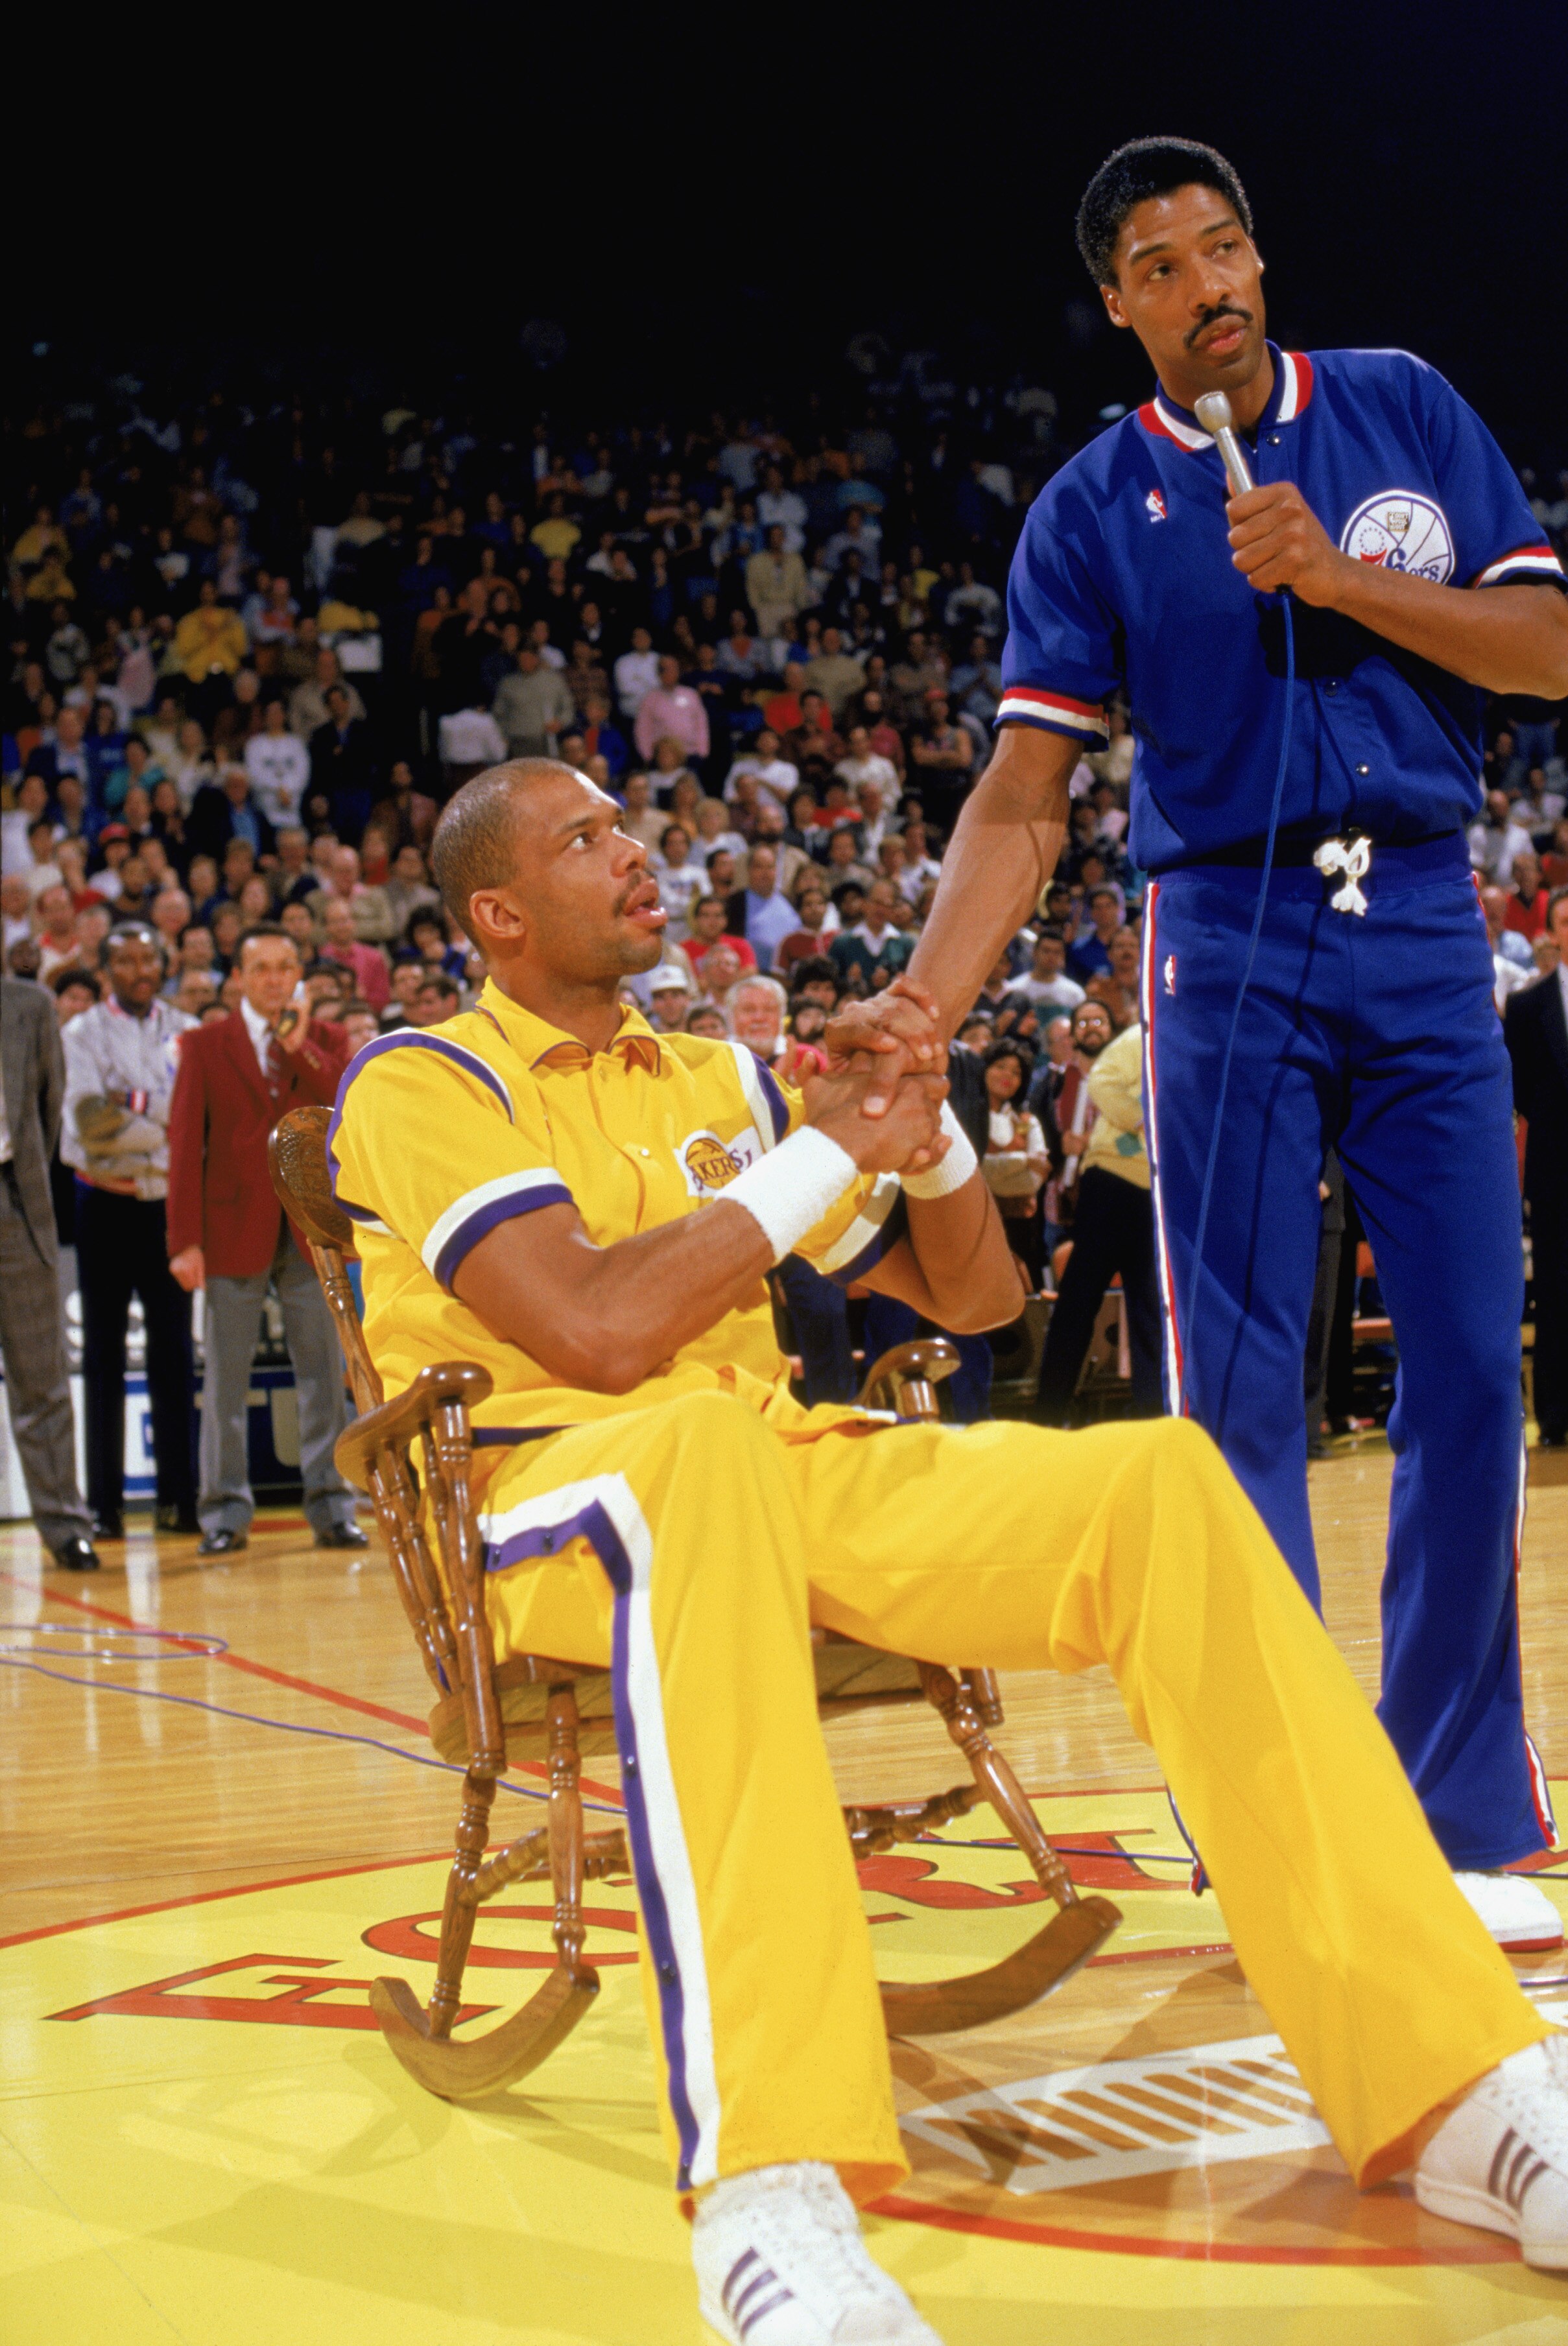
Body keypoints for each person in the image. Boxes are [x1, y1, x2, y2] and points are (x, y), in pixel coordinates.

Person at [329, 756, 1568, 2330]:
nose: (636, 848)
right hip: (547, 1498)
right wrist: (817, 1151)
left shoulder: (717, 1077)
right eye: (586, 837)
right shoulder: (424, 1079)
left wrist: (915, 1137)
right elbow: (596, 1326)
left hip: (771, 1466)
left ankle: (1456, 2085)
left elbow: (971, 1299)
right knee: (695, 1450)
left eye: (633, 821)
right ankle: (769, 2188)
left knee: (1160, 1482)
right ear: (496, 911)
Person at [862, 136, 1568, 1953]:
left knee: (1475, 1373)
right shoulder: (1093, 509)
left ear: (1262, 257)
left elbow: (1543, 647)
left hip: (1420, 916)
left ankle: (1457, 1807)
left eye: (1226, 247)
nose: (1209, 285)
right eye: (1162, 267)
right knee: (1235, 1400)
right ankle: (1263, 1808)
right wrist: (925, 1005)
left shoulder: (1404, 406)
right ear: (1119, 304)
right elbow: (1025, 798)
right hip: (1223, 940)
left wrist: (1340, 583)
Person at [166, 925, 365, 1556]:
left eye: (286, 967)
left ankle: (333, 1508)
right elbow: (183, 1148)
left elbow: (342, 1101)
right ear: (241, 978)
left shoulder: (325, 1038)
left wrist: (302, 1041)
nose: (275, 978)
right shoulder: (203, 1044)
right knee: (225, 1380)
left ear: (298, 974)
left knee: (322, 1376)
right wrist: (183, 1240)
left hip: (309, 1227)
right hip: (230, 1227)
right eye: (263, 968)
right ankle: (224, 1512)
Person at [59, 925, 198, 1537]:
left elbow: (198, 1119)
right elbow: (92, 1123)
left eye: (149, 958)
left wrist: (133, 1105)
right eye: (126, 960)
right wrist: (165, 1117)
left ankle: (179, 1501)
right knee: (104, 1357)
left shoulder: (189, 1030)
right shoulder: (79, 1033)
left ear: (162, 963)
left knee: (174, 1357)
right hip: (105, 1206)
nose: (141, 968)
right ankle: (104, 1508)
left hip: (170, 1207)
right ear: (105, 967)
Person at [0, 973, 99, 1570]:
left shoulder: (29, 1004)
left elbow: (49, 1104)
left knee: (42, 1379)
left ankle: (64, 1525)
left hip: (15, 1201)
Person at [1034, 1017, 1162, 1421]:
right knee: (1078, 1301)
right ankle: (1048, 1416)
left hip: (1154, 1193)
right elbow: (1104, 1080)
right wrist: (1144, 1124)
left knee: (1148, 1309)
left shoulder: (1198, 1049)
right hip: (1110, 1184)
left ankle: (1152, 1419)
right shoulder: (1141, 1035)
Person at [1505, 888, 1568, 1449]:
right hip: (1556, 1179)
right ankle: (1555, 1415)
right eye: (1567, 921)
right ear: (1551, 932)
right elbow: (1519, 1089)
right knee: (1555, 1296)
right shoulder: (1529, 1006)